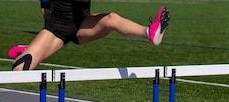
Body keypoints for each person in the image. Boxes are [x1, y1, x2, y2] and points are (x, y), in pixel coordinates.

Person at [11, 0, 170, 71]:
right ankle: (31, 50)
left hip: (83, 25)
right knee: (19, 70)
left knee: (111, 19)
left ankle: (149, 32)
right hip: (57, 30)